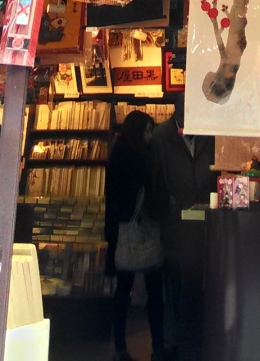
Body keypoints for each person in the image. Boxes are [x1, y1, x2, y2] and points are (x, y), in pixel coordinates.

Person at [152, 98, 214, 360]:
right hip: (173, 223)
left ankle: (195, 342)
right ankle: (172, 345)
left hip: (206, 223)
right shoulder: (160, 137)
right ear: (177, 113)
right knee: (173, 286)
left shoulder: (209, 133)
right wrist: (168, 208)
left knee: (199, 285)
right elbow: (155, 179)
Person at [105, 110, 165, 361]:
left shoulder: (119, 153)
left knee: (123, 291)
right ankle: (157, 348)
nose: (150, 136)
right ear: (138, 132)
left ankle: (120, 348)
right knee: (154, 293)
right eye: (147, 131)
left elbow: (112, 200)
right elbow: (152, 195)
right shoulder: (144, 157)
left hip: (124, 232)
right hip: (140, 230)